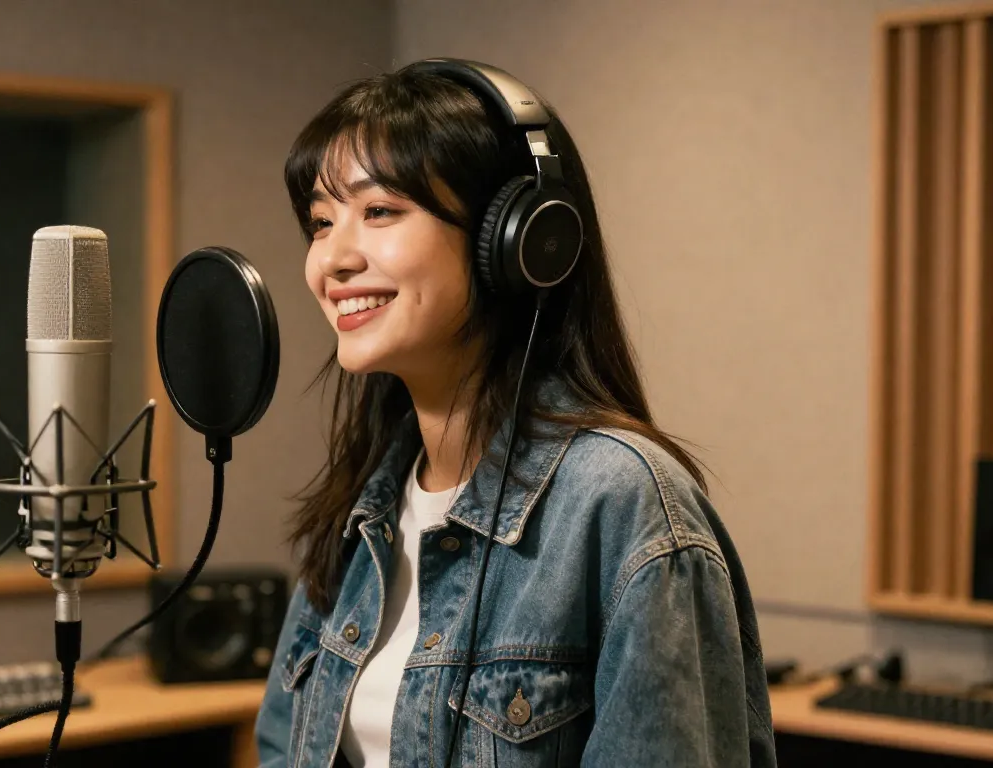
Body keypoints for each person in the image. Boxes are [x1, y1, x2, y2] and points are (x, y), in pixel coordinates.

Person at [254, 57, 776, 768]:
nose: (332, 260)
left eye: (378, 211)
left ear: (519, 238)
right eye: (321, 222)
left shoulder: (621, 504)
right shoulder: (360, 508)